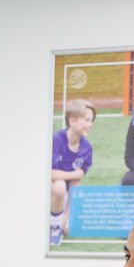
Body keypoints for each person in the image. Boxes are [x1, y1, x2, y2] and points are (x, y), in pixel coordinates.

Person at [50, 99, 96, 246]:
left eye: (92, 120)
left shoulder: (86, 148)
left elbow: (77, 182)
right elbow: (50, 174)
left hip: (67, 197)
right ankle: (54, 224)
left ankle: (60, 221)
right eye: (87, 120)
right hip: (51, 191)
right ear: (72, 121)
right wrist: (74, 174)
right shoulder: (56, 140)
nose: (91, 124)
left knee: (68, 229)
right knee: (60, 185)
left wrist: (65, 220)